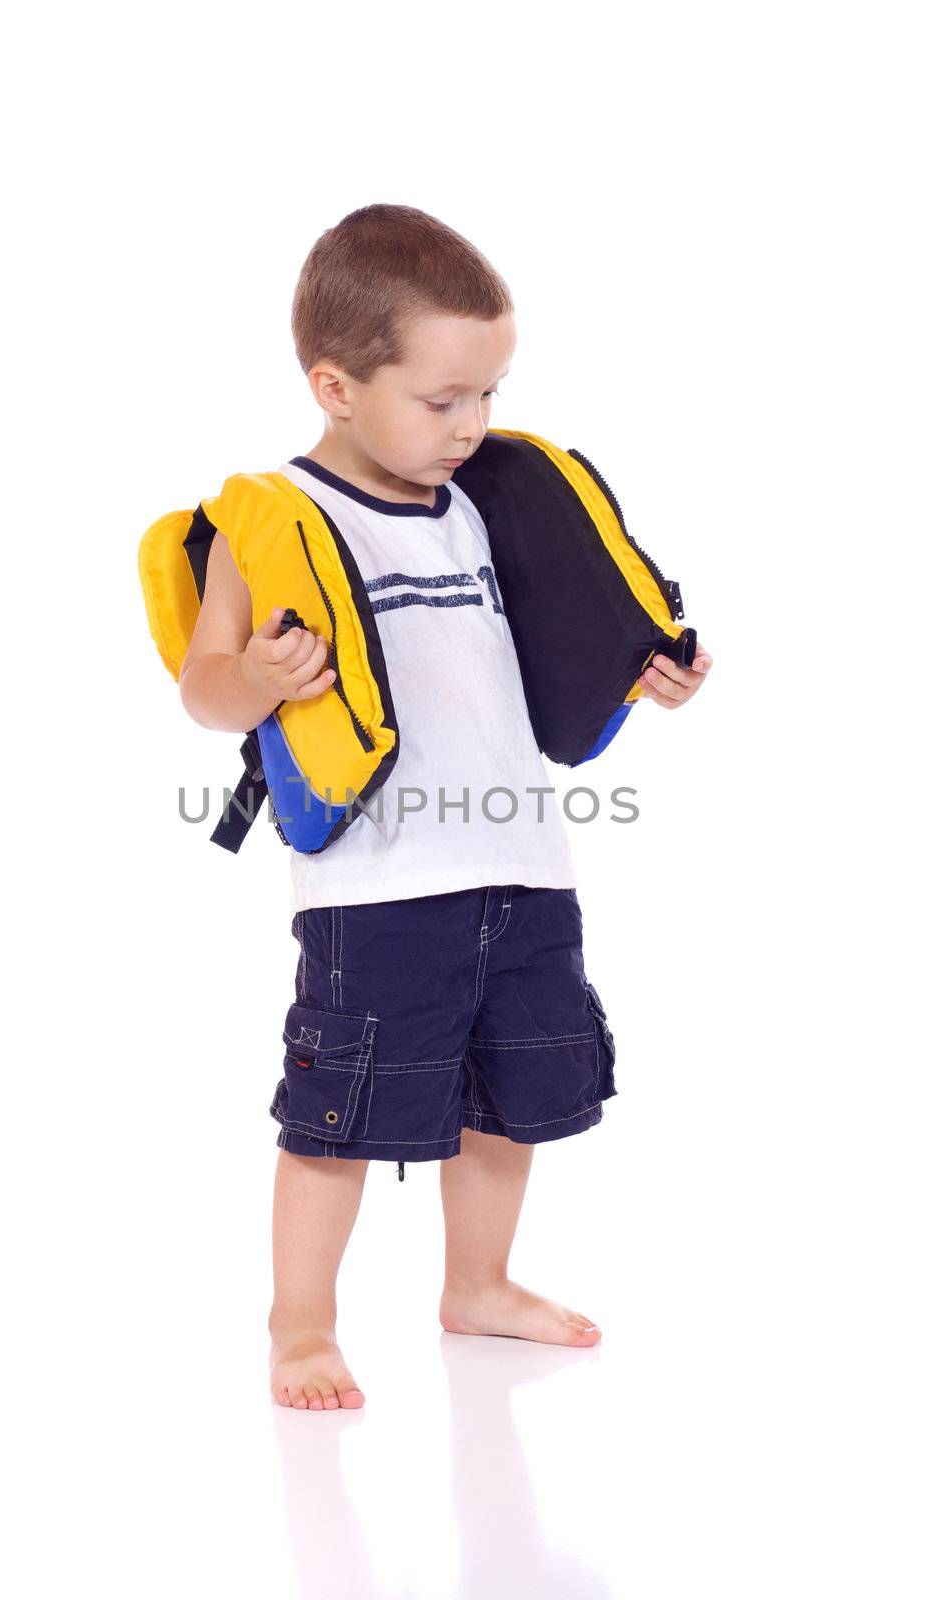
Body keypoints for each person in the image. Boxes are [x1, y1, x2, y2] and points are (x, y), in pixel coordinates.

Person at [178, 204, 713, 1411]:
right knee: (340, 1113)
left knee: (509, 1094)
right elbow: (203, 689)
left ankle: (477, 1281)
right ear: (334, 383)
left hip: (522, 865)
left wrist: (641, 673)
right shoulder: (277, 519)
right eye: (441, 400)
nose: (472, 424)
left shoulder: (482, 502)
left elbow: (540, 657)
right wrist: (254, 678)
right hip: (377, 889)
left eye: (488, 393)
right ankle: (301, 1323)